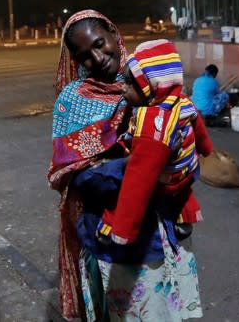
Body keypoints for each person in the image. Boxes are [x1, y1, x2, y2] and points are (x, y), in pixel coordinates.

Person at [84, 39, 213, 321]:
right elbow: (199, 128)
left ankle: (114, 228)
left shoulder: (152, 126)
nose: (123, 89)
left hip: (166, 184)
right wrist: (205, 150)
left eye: (131, 85)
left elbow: (137, 182)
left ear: (150, 89)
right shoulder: (181, 101)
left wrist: (123, 230)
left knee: (121, 204)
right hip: (185, 174)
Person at [49, 10, 128, 321]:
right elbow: (71, 176)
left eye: (99, 43)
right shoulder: (72, 101)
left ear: (112, 33)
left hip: (151, 223)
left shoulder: (147, 78)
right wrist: (124, 164)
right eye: (84, 56)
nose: (97, 58)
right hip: (101, 225)